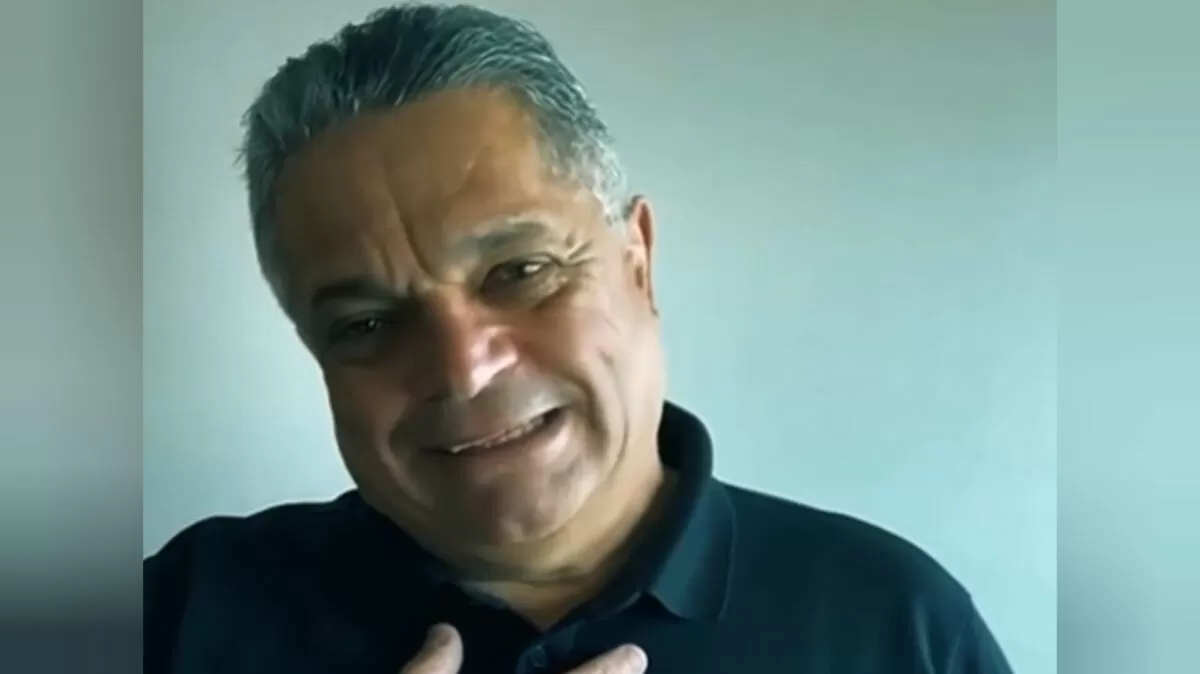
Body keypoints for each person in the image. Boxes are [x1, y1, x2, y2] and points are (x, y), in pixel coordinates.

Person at [143, 4, 1014, 673]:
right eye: (367, 323)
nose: (463, 368)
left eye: (519, 271)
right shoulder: (174, 617)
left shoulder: (896, 626)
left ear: (638, 262)